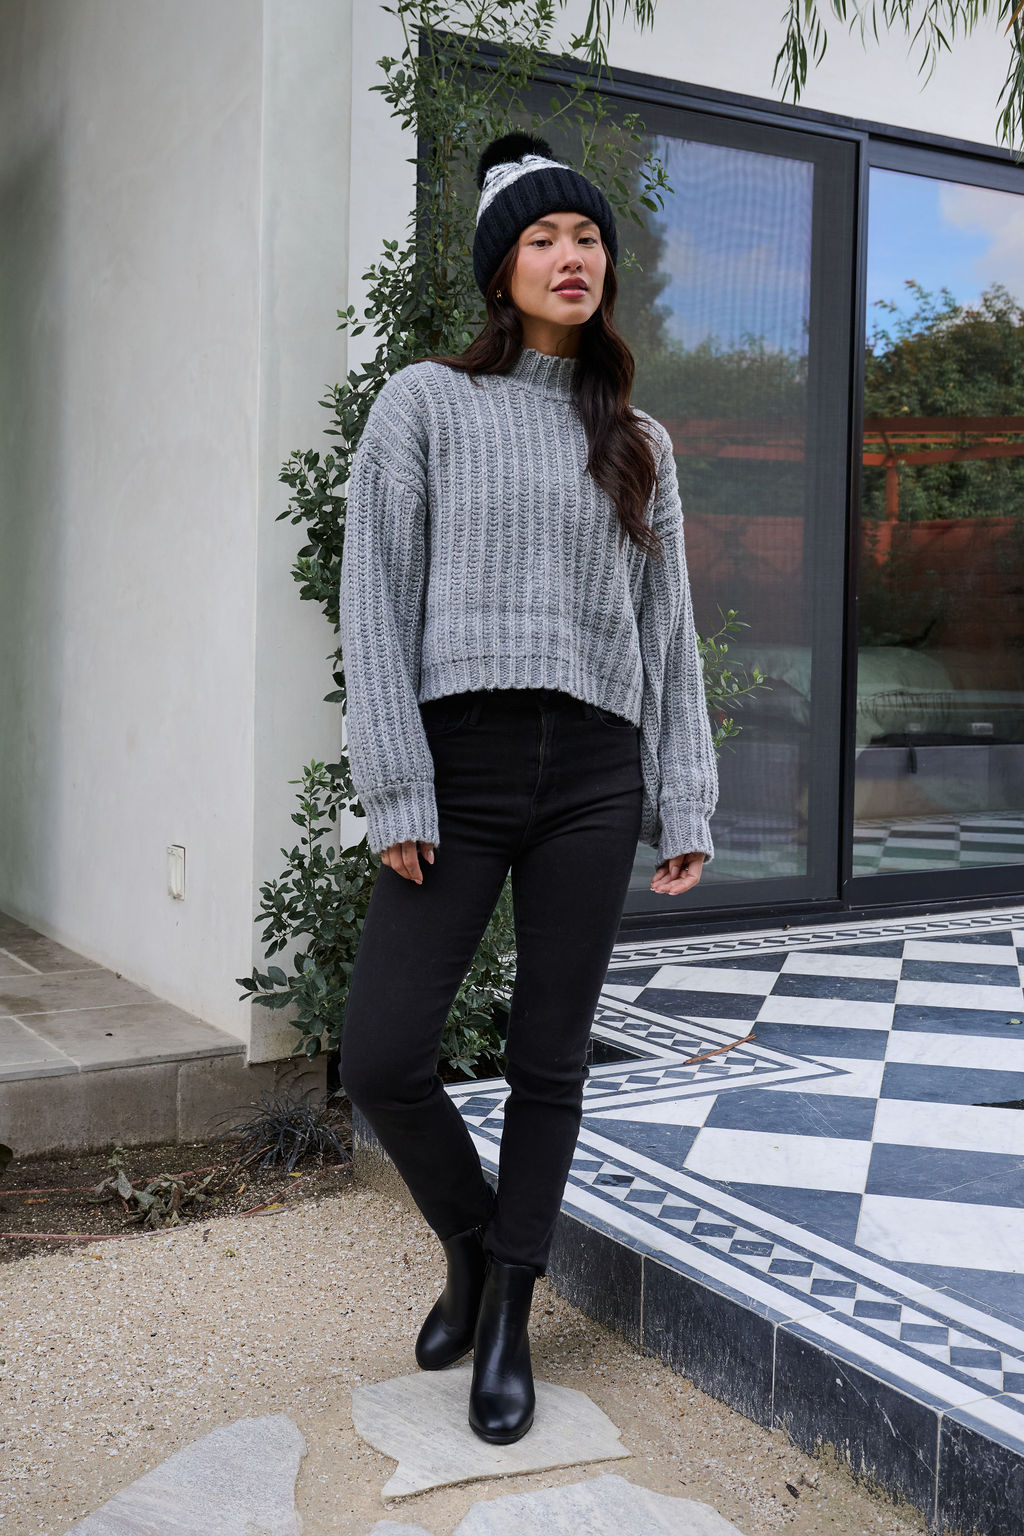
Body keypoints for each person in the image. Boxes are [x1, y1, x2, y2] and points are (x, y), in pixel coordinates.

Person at [338, 131, 718, 1446]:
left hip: (595, 774)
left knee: (550, 1058)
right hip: (462, 765)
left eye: (590, 240)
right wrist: (395, 785)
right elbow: (373, 602)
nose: (574, 258)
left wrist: (685, 796)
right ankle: (466, 1236)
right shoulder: (423, 403)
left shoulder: (641, 439)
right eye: (548, 240)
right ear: (506, 268)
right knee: (382, 1052)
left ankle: (510, 1309)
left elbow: (665, 629)